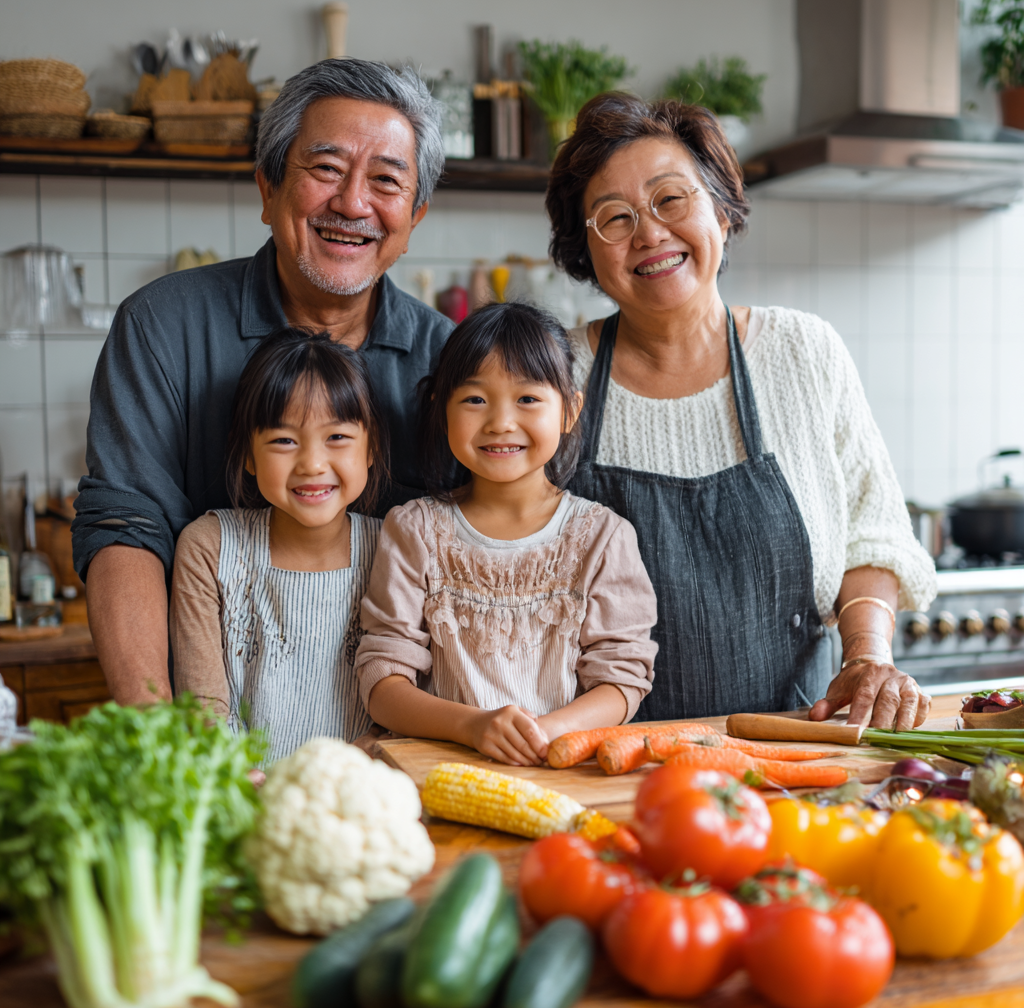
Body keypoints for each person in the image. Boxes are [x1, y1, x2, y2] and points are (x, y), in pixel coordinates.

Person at [546, 93, 937, 730]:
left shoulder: (804, 352)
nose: (649, 233)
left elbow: (875, 532)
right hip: (600, 759)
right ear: (585, 253)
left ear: (722, 213)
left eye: (671, 200)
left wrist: (867, 654)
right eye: (613, 218)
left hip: (794, 747)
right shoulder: (554, 375)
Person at [71, 59, 454, 706]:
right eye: (326, 168)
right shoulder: (164, 324)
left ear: (414, 217)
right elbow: (124, 527)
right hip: (212, 726)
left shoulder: (448, 362)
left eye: (386, 180)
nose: (354, 203)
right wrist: (168, 747)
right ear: (267, 189)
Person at [354, 303, 657, 766]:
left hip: (562, 772)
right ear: (441, 409)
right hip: (440, 776)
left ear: (569, 411)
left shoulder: (602, 537)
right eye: (475, 399)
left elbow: (624, 679)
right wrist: (472, 726)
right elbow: (382, 683)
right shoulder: (414, 529)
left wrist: (544, 734)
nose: (500, 422)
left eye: (528, 399)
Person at [171, 329, 385, 761]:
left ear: (370, 449)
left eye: (337, 437)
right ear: (248, 455)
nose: (311, 463)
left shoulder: (397, 546)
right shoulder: (208, 547)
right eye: (284, 440)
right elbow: (203, 709)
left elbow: (406, 700)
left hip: (359, 793)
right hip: (237, 797)